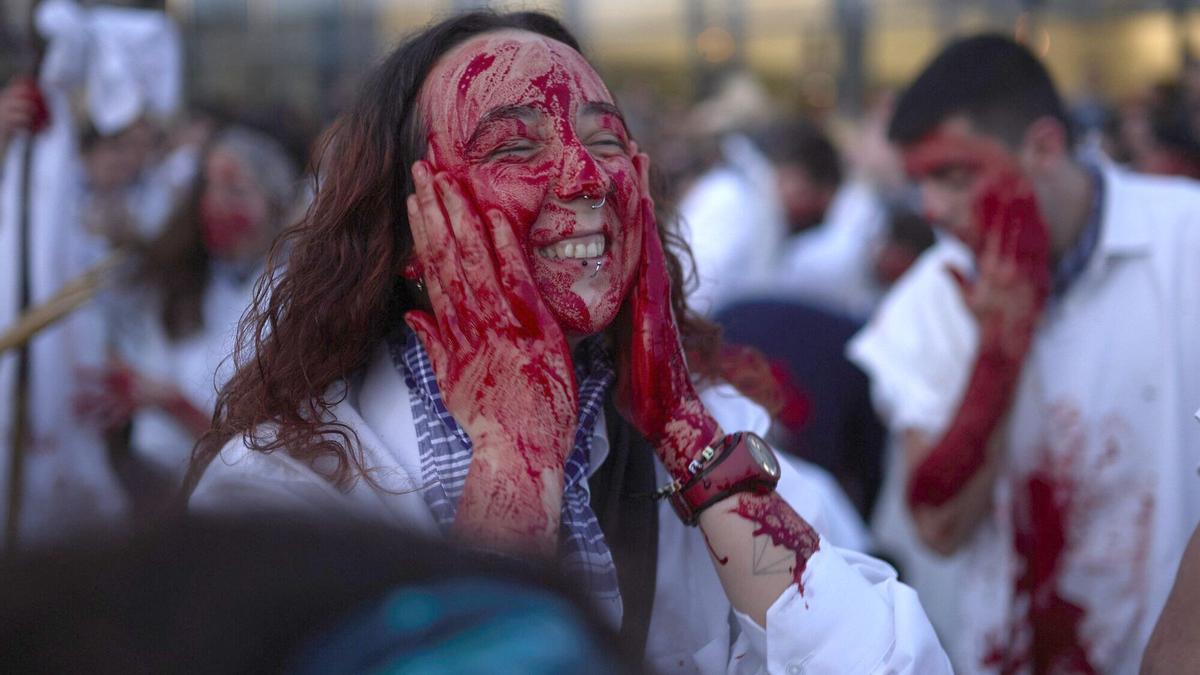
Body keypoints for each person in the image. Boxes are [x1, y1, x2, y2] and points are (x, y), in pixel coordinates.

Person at [184, 11, 949, 673]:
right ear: (410, 226)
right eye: (515, 148)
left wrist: (685, 429)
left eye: (606, 140)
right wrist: (514, 459)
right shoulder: (282, 482)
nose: (586, 177)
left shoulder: (703, 438)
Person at [847, 34, 1200, 673]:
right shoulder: (929, 302)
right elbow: (939, 529)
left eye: (954, 175)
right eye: (922, 183)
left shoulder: (1188, 245)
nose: (933, 208)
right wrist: (999, 351)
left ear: (1042, 146)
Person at [75, 126, 299, 508]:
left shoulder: (293, 297)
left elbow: (267, 443)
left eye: (236, 191)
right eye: (209, 188)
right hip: (152, 489)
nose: (216, 204)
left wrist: (173, 403)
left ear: (275, 205)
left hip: (242, 506)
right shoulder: (180, 279)